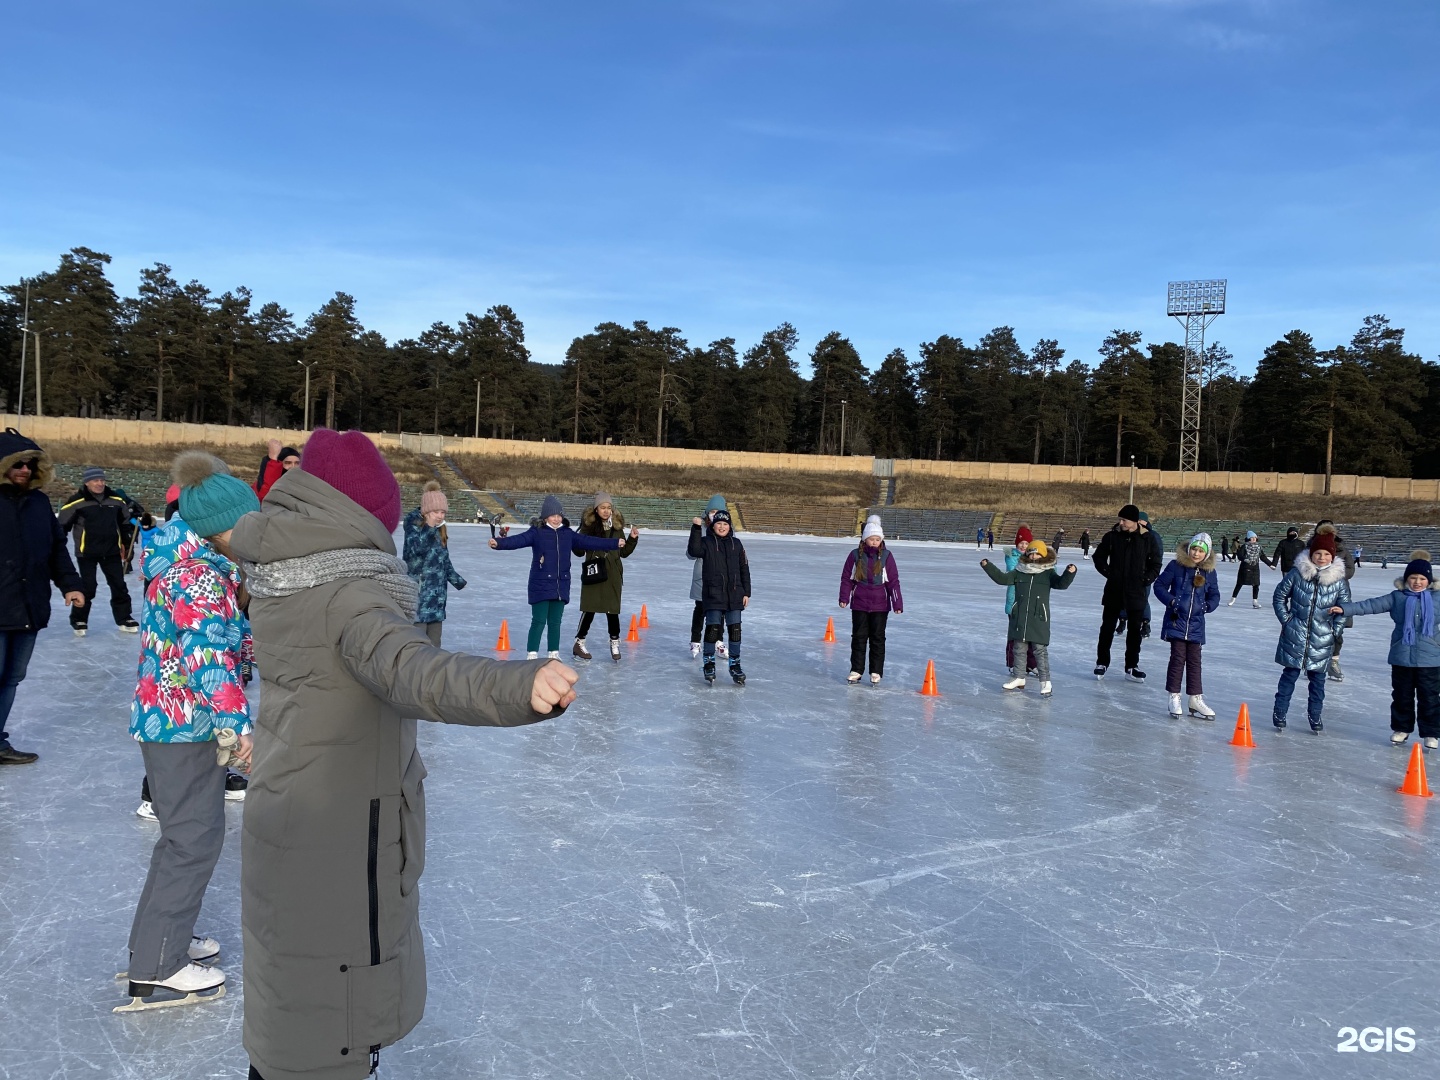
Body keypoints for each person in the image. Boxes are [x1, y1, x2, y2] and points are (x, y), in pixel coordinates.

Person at [229, 428, 579, 1080]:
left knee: (289, 1016)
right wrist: (515, 687)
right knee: (327, 1034)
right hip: (337, 844)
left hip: (288, 816)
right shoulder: (352, 596)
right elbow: (412, 671)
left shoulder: (288, 576)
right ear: (361, 517)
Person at [119, 452, 260, 1013]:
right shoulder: (199, 577)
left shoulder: (197, 567)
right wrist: (237, 725)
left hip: (174, 720)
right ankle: (157, 967)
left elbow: (222, 640)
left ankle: (155, 943)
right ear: (221, 528)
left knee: (183, 838)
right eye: (245, 526)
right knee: (193, 840)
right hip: (183, 724)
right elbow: (207, 658)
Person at [0, 428, 85, 765]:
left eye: (30, 465)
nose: (24, 470)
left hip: (29, 605)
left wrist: (70, 584)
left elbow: (55, 551)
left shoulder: (38, 502)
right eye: (17, 463)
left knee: (12, 678)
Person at [490, 494, 622, 659]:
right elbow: (518, 540)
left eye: (559, 515)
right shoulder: (536, 532)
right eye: (553, 515)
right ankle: (532, 654)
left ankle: (554, 653)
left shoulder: (567, 533)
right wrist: (499, 543)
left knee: (555, 622)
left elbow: (589, 541)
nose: (556, 519)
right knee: (538, 621)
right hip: (541, 583)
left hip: (561, 583)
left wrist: (614, 544)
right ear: (545, 516)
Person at [1332, 550, 1439, 748]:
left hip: (1430, 658)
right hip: (1401, 656)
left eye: (1422, 578)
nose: (1417, 582)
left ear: (1429, 580)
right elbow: (1371, 605)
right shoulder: (1397, 597)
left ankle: (1431, 733)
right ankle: (1402, 728)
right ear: (1406, 579)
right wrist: (1346, 609)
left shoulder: (1437, 599)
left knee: (1430, 697)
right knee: (1401, 696)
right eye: (1413, 578)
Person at [1271, 524, 1350, 733]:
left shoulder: (1338, 582)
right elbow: (1279, 597)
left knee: (1318, 683)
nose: (1321, 557)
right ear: (1311, 554)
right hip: (1296, 633)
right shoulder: (1297, 574)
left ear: (1332, 557)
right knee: (1289, 676)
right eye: (1318, 553)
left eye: (1326, 554)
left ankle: (1315, 716)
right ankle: (1280, 712)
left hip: (1322, 638)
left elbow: (1344, 608)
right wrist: (1287, 620)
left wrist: (1335, 630)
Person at [56, 466, 144, 636]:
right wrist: (57, 547)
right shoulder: (77, 502)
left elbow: (126, 522)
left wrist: (127, 545)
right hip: (87, 552)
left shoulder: (116, 500)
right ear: (87, 482)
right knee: (88, 587)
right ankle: (79, 619)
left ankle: (124, 618)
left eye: (102, 480)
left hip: (111, 551)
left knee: (119, 585)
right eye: (96, 480)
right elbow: (61, 525)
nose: (100, 483)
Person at [981, 540, 1076, 696]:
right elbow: (1002, 579)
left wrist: (1070, 572)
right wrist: (987, 565)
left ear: (1043, 555)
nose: (1033, 556)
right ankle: (1019, 677)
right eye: (1031, 553)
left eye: (1037, 553)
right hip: (1021, 616)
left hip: (1038, 617)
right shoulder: (1019, 571)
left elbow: (1061, 584)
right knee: (1019, 647)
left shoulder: (1048, 573)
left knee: (1039, 650)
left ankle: (1046, 682)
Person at [1152, 532, 1221, 720]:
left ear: (1206, 554)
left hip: (1197, 624)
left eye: (1200, 551)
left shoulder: (1209, 572)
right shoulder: (1176, 566)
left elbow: (1215, 595)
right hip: (1176, 621)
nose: (1196, 553)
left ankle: (1195, 698)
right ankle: (1174, 696)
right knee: (1177, 658)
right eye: (1194, 549)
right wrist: (1172, 601)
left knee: (1195, 662)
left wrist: (1207, 606)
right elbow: (1159, 586)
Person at [1092, 504, 1161, 682]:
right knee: (1107, 629)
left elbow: (1156, 564)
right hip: (1114, 590)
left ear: (1135, 521)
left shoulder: (1147, 539)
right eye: (1120, 519)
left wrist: (1146, 580)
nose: (1121, 522)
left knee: (1134, 632)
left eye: (1124, 520)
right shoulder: (1112, 536)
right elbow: (1098, 557)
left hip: (1136, 591)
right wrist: (1109, 573)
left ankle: (1132, 666)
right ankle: (1102, 663)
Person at [572, 492, 640, 661]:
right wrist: (577, 536)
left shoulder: (617, 528)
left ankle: (614, 642)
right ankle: (579, 642)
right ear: (596, 509)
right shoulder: (588, 527)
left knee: (612, 610)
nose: (606, 511)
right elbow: (579, 552)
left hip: (612, 574)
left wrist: (632, 539)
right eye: (602, 507)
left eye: (609, 508)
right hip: (594, 572)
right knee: (590, 608)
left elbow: (623, 553)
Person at [688, 509, 751, 685]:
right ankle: (708, 662)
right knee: (713, 629)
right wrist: (695, 528)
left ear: (729, 526)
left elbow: (744, 569)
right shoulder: (706, 542)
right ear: (713, 526)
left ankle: (735, 665)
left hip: (735, 595)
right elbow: (693, 551)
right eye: (718, 524)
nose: (722, 527)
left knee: (735, 631)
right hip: (713, 594)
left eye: (725, 524)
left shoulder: (736, 544)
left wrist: (746, 592)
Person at [839, 515, 903, 684]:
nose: (874, 542)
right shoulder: (855, 556)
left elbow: (893, 582)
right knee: (858, 637)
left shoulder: (886, 556)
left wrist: (897, 603)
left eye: (877, 539)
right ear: (865, 539)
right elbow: (847, 579)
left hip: (880, 606)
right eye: (871, 539)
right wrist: (844, 597)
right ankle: (856, 670)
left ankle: (876, 671)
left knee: (877, 638)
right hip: (859, 603)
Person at [401, 481, 466, 646]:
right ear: (426, 511)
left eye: (443, 512)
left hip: (437, 597)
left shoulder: (439, 529)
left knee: (435, 644)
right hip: (419, 597)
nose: (440, 516)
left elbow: (443, 558)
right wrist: (429, 527)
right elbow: (416, 550)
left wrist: (456, 579)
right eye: (436, 511)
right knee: (418, 644)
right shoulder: (413, 526)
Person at [1313, 519, 1357, 681]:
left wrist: (1335, 575)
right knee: (1315, 631)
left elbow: (1351, 569)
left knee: (1337, 632)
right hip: (1317, 595)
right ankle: (1315, 661)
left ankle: (1333, 661)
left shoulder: (1341, 548)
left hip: (1338, 595)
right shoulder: (1310, 548)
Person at [689, 495, 729, 658]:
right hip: (702, 579)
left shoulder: (725, 530)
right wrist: (696, 532)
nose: (715, 515)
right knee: (700, 611)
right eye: (712, 512)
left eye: (718, 512)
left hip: (720, 580)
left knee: (720, 613)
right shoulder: (702, 530)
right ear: (707, 514)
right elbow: (690, 554)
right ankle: (695, 641)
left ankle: (718, 641)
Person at [1002, 525, 1039, 677]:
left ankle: (1031, 664)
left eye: (1026, 543)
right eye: (1021, 543)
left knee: (1030, 635)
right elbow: (1014, 570)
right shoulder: (1012, 556)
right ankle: (1013, 663)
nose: (1023, 546)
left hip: (1030, 602)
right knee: (1015, 635)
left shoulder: (1036, 557)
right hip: (1015, 602)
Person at [1228, 530, 1271, 607]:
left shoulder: (1259, 547)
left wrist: (1270, 564)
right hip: (1245, 567)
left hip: (1255, 567)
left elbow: (1262, 556)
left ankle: (1255, 601)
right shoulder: (1244, 546)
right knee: (1239, 583)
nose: (1254, 539)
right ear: (1248, 538)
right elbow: (1240, 555)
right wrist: (1245, 559)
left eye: (1255, 537)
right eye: (1252, 537)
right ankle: (1233, 598)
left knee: (1256, 584)